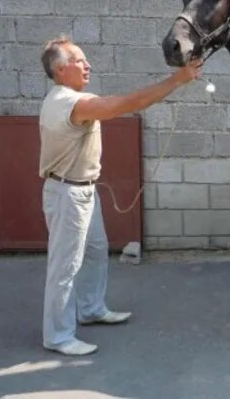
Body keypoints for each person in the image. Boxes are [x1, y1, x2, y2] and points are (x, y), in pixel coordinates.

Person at [39, 35, 202, 356]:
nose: (87, 65)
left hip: (83, 190)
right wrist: (177, 80)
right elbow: (126, 104)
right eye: (79, 60)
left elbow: (117, 103)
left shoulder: (75, 98)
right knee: (65, 267)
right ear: (59, 70)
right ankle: (57, 336)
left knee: (96, 249)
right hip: (66, 194)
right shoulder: (67, 103)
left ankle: (91, 308)